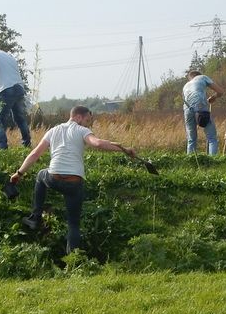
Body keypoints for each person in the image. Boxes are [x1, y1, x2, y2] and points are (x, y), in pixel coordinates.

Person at [10, 106, 136, 253]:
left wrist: (18, 173)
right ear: (78, 117)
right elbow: (98, 143)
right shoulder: (82, 131)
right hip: (74, 183)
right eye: (87, 120)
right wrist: (125, 150)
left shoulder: (52, 131)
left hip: (53, 178)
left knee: (40, 175)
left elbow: (35, 154)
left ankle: (35, 217)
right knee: (74, 224)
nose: (88, 123)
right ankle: (73, 261)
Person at [182, 70, 225, 155]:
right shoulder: (202, 77)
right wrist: (214, 97)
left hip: (187, 109)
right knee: (212, 137)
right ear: (198, 75)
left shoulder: (185, 86)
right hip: (200, 106)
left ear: (190, 78)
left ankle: (191, 161)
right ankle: (213, 161)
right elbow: (220, 92)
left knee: (191, 139)